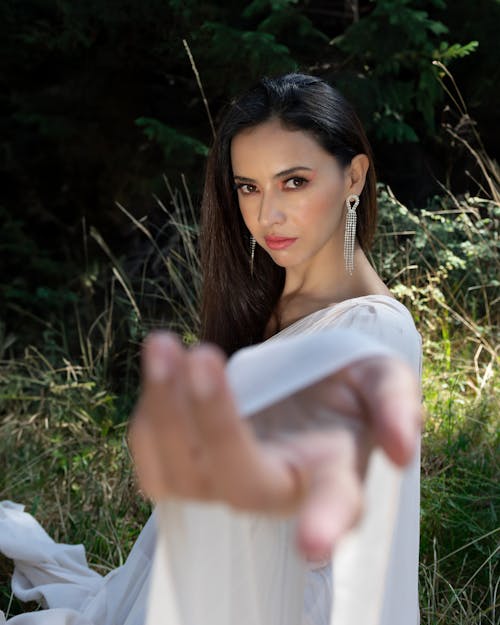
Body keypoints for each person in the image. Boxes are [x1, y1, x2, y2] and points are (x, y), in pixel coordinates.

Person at [0, 73, 423, 625]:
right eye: (248, 186)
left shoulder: (373, 333)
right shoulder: (264, 299)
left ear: (354, 177)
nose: (266, 214)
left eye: (293, 181)